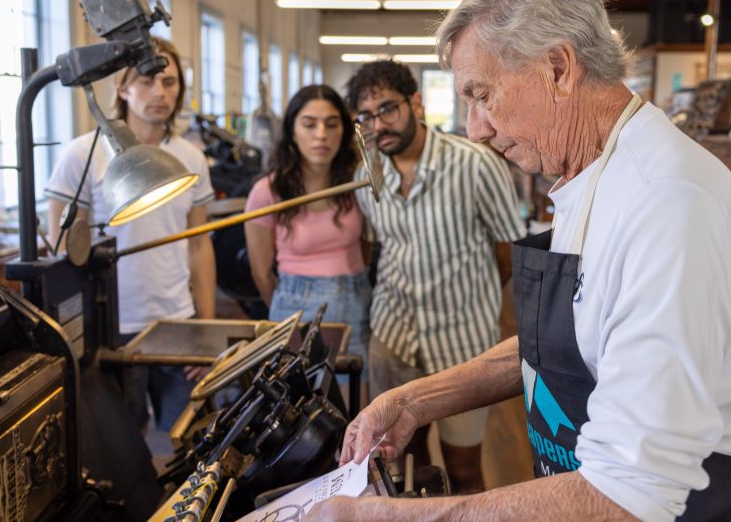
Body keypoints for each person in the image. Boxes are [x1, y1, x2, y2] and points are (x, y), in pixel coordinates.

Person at [310, 0, 731, 522]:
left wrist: (380, 517)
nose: (476, 128)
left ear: (558, 68)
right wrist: (416, 398)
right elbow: (574, 336)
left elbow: (630, 495)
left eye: (482, 94)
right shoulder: (596, 173)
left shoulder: (664, 203)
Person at [344, 59, 525, 493]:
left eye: (388, 109)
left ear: (417, 103)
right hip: (394, 339)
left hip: (461, 344)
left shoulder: (475, 165)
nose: (378, 125)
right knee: (406, 466)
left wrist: (469, 301)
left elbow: (508, 253)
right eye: (366, 117)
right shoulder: (367, 178)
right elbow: (375, 247)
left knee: (463, 469)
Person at [46, 37, 216, 434]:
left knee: (190, 441)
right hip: (113, 326)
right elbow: (62, 249)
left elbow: (199, 244)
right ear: (121, 87)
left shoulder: (189, 159)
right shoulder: (84, 154)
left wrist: (205, 329)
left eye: (170, 83)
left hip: (178, 323)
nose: (159, 92)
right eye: (146, 81)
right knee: (126, 450)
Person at [244, 85, 371, 395]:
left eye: (331, 123)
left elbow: (367, 246)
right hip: (294, 308)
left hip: (355, 302)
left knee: (356, 411)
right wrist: (290, 299)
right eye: (309, 123)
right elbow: (261, 273)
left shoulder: (359, 182)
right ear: (292, 131)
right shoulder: (268, 192)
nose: (321, 134)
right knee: (299, 418)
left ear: (344, 130)